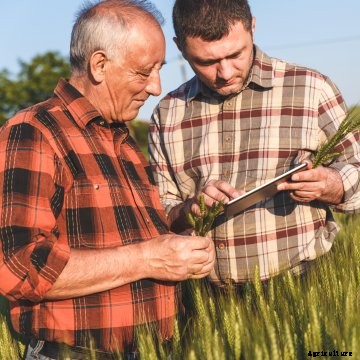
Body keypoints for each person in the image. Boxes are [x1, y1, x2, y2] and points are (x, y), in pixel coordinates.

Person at [0, 1, 215, 358]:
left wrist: (186, 218)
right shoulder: (34, 131)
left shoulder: (123, 140)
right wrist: (147, 258)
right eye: (144, 72)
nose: (156, 87)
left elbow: (130, 237)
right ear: (99, 65)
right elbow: (16, 265)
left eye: (159, 70)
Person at [148, 0, 360, 286]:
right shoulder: (167, 113)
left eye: (236, 54)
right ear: (180, 47)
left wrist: (332, 184)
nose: (224, 73)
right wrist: (189, 210)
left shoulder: (312, 89)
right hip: (207, 304)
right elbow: (158, 211)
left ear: (253, 28)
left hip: (305, 286)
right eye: (206, 62)